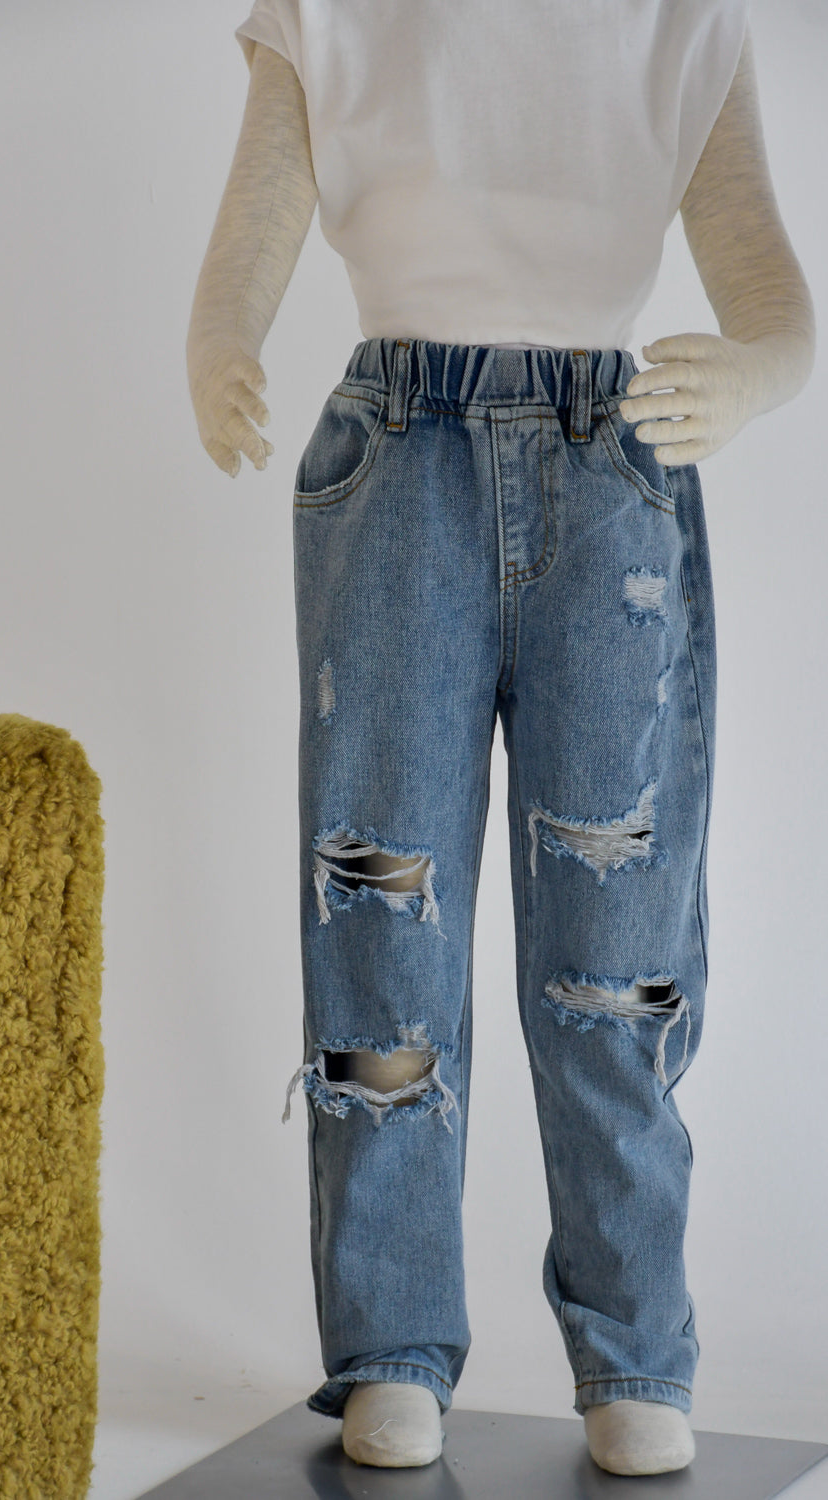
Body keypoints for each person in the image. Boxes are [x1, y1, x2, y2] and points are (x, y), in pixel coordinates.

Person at [186, 1, 815, 1477]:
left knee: (615, 945)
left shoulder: (681, 21)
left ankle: (633, 1349)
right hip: (398, 451)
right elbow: (250, 233)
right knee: (381, 908)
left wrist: (750, 374)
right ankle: (390, 1343)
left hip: (617, 460)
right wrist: (219, 342)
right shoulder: (332, 10)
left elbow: (774, 293)